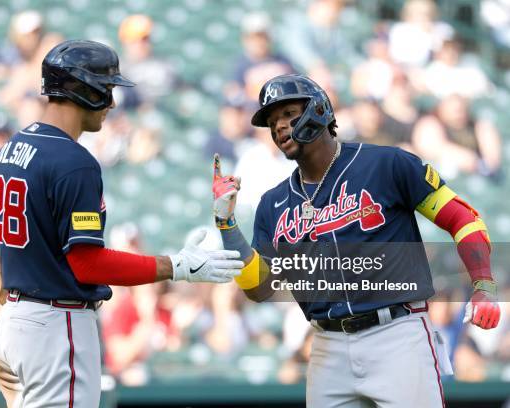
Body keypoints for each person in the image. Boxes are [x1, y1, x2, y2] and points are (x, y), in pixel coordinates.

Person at [0, 40, 243, 408]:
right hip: (56, 327)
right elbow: (87, 263)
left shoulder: (8, 150)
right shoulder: (75, 162)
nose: (112, 102)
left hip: (12, 327)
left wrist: (22, 314)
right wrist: (175, 266)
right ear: (79, 89)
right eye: (106, 89)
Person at [212, 73, 500, 407]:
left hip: (396, 335)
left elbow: (462, 217)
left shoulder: (386, 163)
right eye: (272, 121)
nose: (279, 126)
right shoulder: (272, 204)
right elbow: (258, 289)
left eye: (288, 114)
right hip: (325, 346)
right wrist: (227, 224)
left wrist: (483, 285)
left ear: (319, 110)